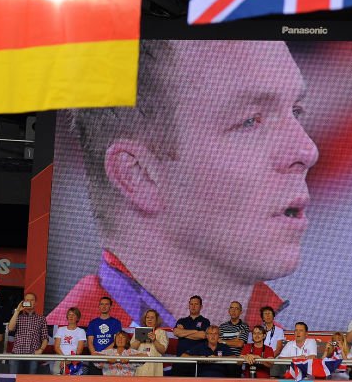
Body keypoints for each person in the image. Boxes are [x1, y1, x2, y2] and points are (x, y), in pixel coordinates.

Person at [48, 40, 319, 326]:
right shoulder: (57, 362)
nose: (307, 150)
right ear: (138, 175)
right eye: (251, 121)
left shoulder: (275, 351)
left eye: (296, 111)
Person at [7, 292, 49, 375]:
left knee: (30, 379)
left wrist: (41, 350)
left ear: (36, 302)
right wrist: (17, 310)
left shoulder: (41, 318)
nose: (29, 302)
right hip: (17, 353)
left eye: (32, 300)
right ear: (23, 302)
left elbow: (45, 338)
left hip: (33, 355)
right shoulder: (18, 317)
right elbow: (10, 328)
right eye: (27, 300)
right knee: (13, 378)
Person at [130, 308, 167, 377]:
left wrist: (154, 340)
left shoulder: (161, 333)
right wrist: (139, 339)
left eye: (152, 317)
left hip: (155, 367)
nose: (149, 319)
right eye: (147, 317)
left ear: (156, 320)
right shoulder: (138, 331)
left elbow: (163, 350)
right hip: (140, 368)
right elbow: (131, 349)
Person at [54, 307, 88, 375]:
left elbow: (79, 350)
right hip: (60, 358)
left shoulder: (81, 331)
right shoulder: (60, 329)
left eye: (74, 315)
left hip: (74, 359)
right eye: (69, 314)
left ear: (78, 318)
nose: (71, 316)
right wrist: (64, 359)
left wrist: (70, 360)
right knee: (56, 372)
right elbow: (56, 347)